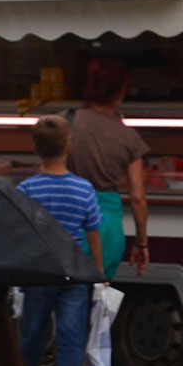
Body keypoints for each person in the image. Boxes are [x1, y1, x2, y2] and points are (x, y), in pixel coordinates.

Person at [15, 114, 104, 366]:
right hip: (74, 271)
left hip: (39, 270)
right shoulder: (84, 188)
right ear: (69, 147)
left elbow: (20, 232)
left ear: (34, 149)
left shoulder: (27, 189)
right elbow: (93, 233)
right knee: (71, 337)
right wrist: (99, 272)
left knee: (32, 336)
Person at [71, 59, 151, 277]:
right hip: (107, 227)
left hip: (66, 221)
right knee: (97, 290)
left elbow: (44, 171)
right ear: (121, 91)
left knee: (64, 291)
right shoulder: (128, 137)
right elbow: (137, 197)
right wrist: (141, 243)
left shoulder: (64, 122)